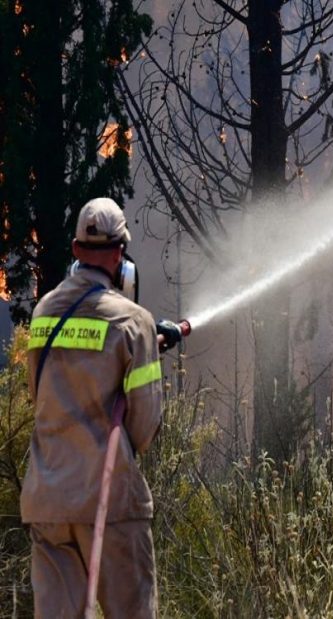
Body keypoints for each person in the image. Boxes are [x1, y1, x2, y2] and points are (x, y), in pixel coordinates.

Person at [21, 197, 181, 618]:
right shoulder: (134, 323)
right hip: (108, 502)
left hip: (49, 500)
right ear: (121, 256)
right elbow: (144, 426)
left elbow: (42, 398)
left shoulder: (42, 314)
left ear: (75, 252)